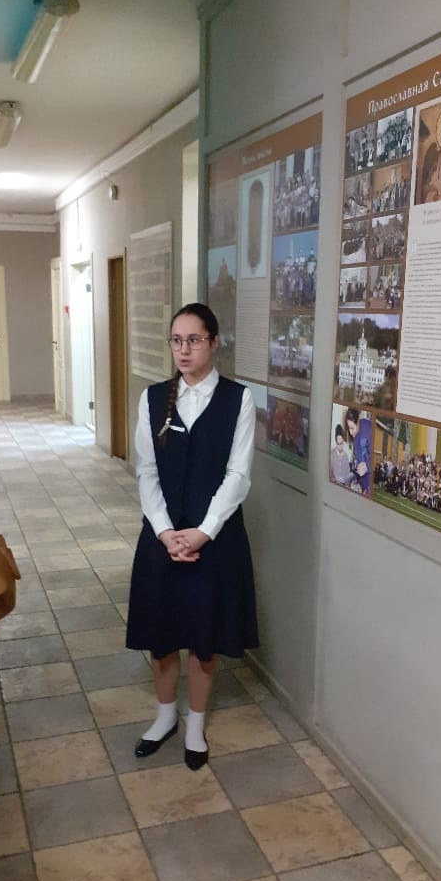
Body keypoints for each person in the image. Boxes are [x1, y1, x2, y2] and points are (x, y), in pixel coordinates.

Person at [126, 303, 258, 770]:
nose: (183, 350)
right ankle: (165, 717)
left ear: (214, 343)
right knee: (161, 633)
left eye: (194, 340)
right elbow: (145, 470)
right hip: (162, 536)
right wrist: (165, 532)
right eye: (177, 341)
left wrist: (202, 533)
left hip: (214, 539)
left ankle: (196, 725)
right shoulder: (153, 398)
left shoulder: (238, 400)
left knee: (204, 636)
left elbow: (238, 475)